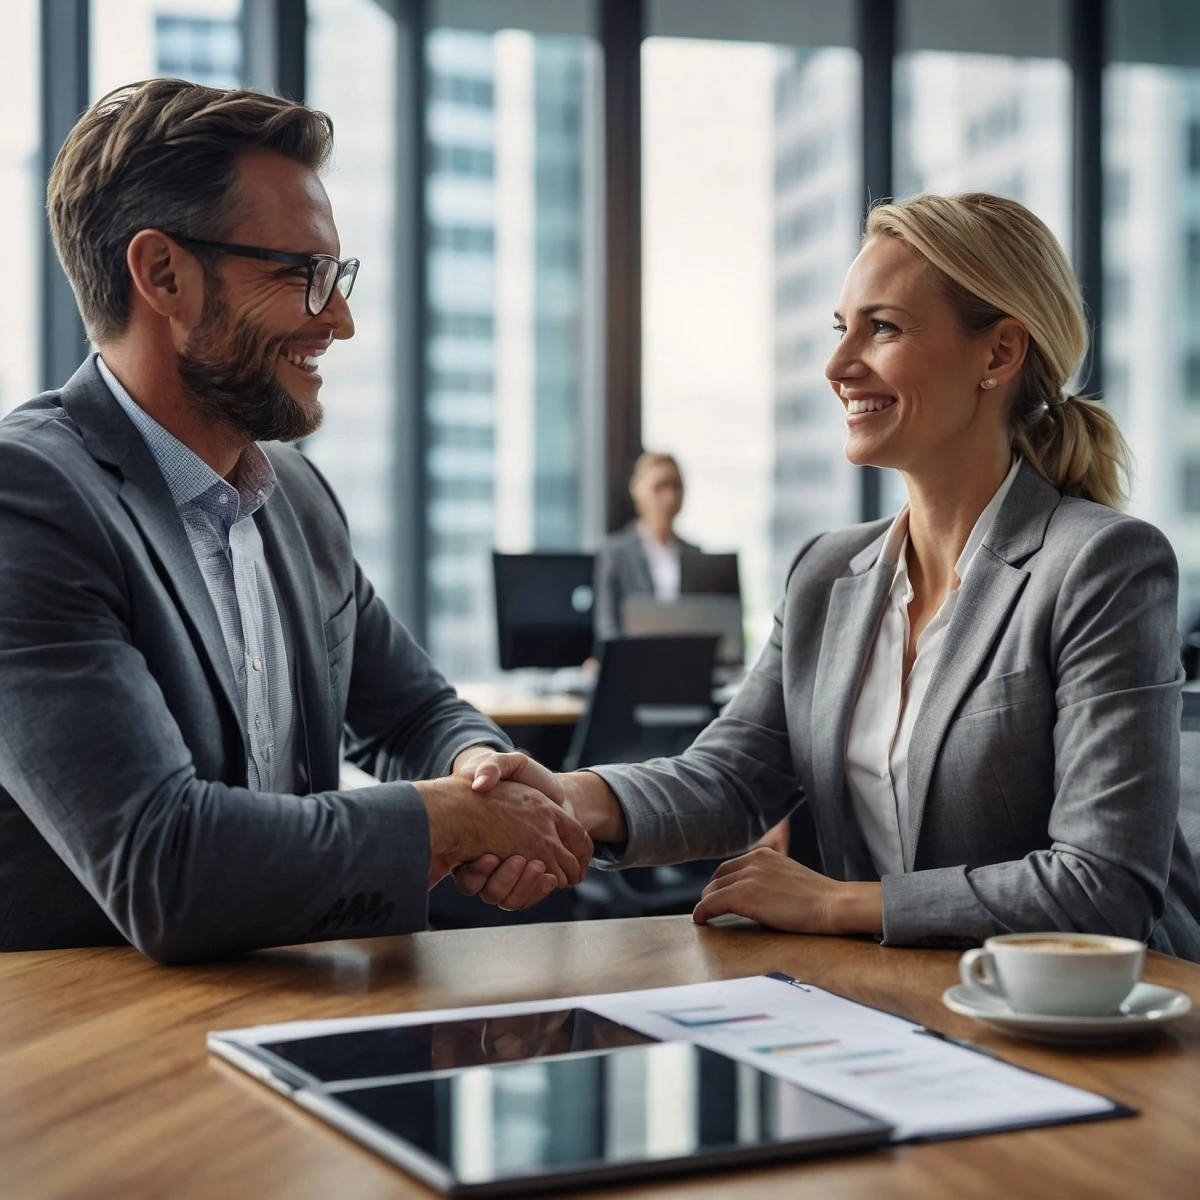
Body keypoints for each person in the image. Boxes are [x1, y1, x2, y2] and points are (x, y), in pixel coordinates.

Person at [461, 192, 1200, 960]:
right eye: (841, 328)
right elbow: (733, 779)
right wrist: (569, 797)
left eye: (882, 328)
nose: (839, 366)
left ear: (999, 354)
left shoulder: (1101, 566)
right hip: (902, 1010)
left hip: (1089, 1032)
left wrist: (840, 903)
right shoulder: (827, 573)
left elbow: (1103, 887)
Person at [0, 80, 588, 962]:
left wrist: (480, 768)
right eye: (303, 274)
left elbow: (410, 712)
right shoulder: (30, 500)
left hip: (286, 1015)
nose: (340, 320)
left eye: (338, 276)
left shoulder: (298, 498)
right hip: (101, 1065)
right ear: (164, 275)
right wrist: (450, 821)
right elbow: (167, 864)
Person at [593, 452, 700, 643]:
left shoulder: (694, 554)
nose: (670, 498)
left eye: (676, 486)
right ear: (637, 489)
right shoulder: (615, 552)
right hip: (633, 660)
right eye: (660, 487)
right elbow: (607, 625)